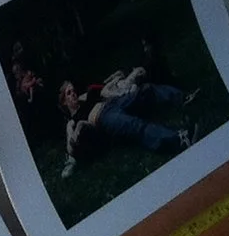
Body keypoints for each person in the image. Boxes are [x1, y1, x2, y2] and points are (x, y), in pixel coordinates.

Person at [58, 70, 193, 178]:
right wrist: (79, 127)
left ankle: (184, 98)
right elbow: (71, 147)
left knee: (146, 90)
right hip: (103, 117)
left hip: (114, 103)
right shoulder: (72, 121)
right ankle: (178, 140)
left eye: (73, 90)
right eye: (69, 93)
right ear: (64, 102)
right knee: (136, 126)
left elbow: (104, 87)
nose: (73, 94)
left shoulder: (84, 97)